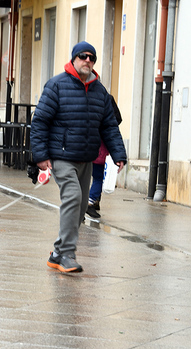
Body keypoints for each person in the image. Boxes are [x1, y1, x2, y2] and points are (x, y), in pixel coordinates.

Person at [30, 41, 127, 273]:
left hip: (86, 157)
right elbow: (39, 122)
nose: (88, 61)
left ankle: (56, 253)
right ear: (74, 58)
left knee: (82, 206)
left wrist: (118, 154)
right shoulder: (56, 86)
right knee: (73, 197)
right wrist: (40, 155)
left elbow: (109, 126)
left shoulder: (100, 91)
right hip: (61, 156)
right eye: (83, 56)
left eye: (92, 58)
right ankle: (67, 255)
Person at [86, 96, 122, 219]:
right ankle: (89, 202)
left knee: (83, 178)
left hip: (85, 147)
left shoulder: (86, 98)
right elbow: (118, 119)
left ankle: (83, 205)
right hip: (100, 148)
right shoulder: (107, 100)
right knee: (98, 177)